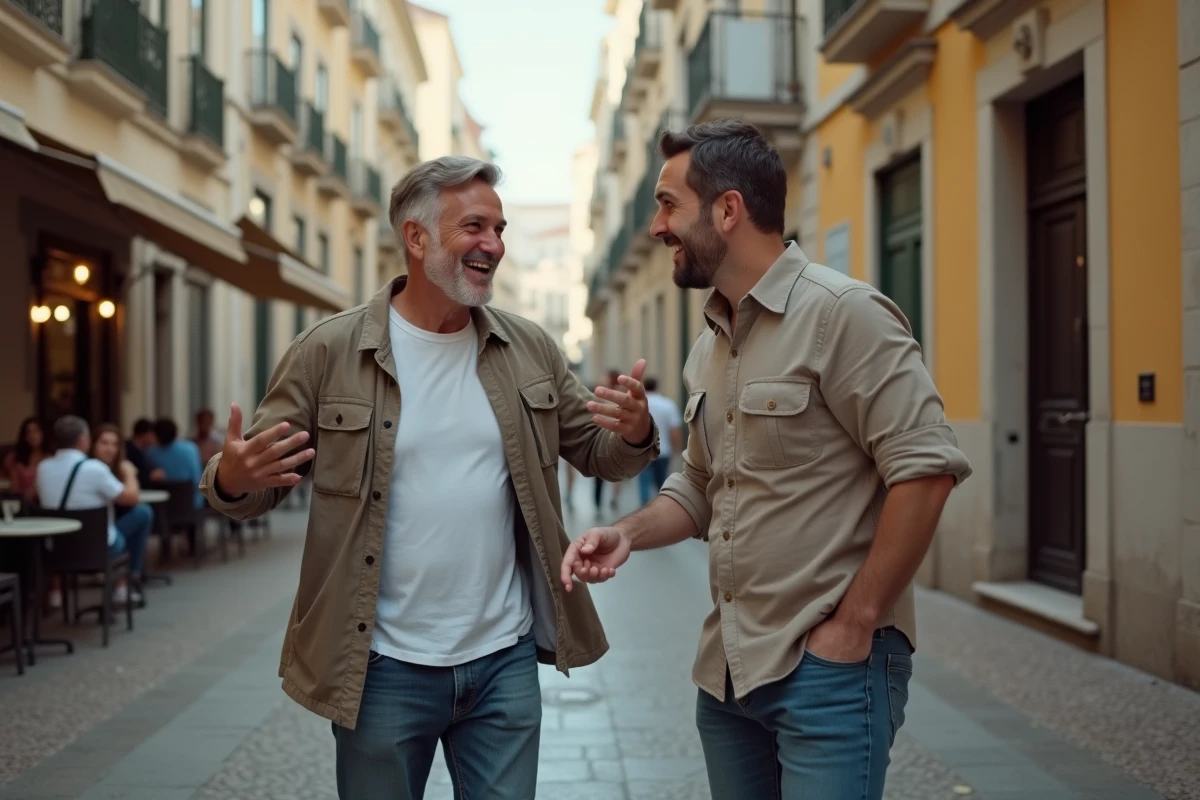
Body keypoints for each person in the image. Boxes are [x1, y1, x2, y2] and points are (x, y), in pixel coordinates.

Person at [198, 155, 659, 800]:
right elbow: (252, 481)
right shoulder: (327, 351)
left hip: (504, 657)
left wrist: (634, 431)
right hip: (381, 665)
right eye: (474, 227)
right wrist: (236, 476)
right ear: (416, 239)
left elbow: (598, 452)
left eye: (499, 230)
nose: (493, 245)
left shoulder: (530, 348)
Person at [560, 120, 972, 800]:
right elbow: (696, 486)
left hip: (829, 673)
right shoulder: (710, 344)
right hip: (727, 676)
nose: (657, 227)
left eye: (668, 204)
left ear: (727, 210)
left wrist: (855, 624)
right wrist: (624, 533)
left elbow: (926, 470)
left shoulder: (846, 315)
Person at [36, 416, 152, 605]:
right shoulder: (95, 469)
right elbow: (132, 498)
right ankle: (125, 584)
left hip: (57, 550)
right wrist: (130, 472)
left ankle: (56, 591)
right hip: (96, 549)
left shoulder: (43, 468)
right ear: (83, 440)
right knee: (142, 513)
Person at [638, 377, 682, 505]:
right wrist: (678, 450)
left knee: (644, 482)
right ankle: (659, 508)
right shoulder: (668, 404)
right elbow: (675, 431)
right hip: (663, 450)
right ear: (657, 387)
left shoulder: (640, 404)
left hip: (642, 451)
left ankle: (644, 507)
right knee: (661, 483)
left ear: (644, 387)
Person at [146, 418, 205, 508]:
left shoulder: (151, 453)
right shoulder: (190, 449)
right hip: (190, 504)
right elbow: (197, 479)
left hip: (164, 507)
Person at [3, 417, 48, 504]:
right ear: (24, 437)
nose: (32, 436)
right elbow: (14, 489)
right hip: (24, 503)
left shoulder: (51, 458)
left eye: (36, 431)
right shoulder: (16, 458)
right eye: (28, 432)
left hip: (46, 502)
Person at [125, 418, 165, 487]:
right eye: (153, 435)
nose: (155, 439)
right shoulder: (128, 450)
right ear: (146, 435)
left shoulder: (143, 451)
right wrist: (150, 476)